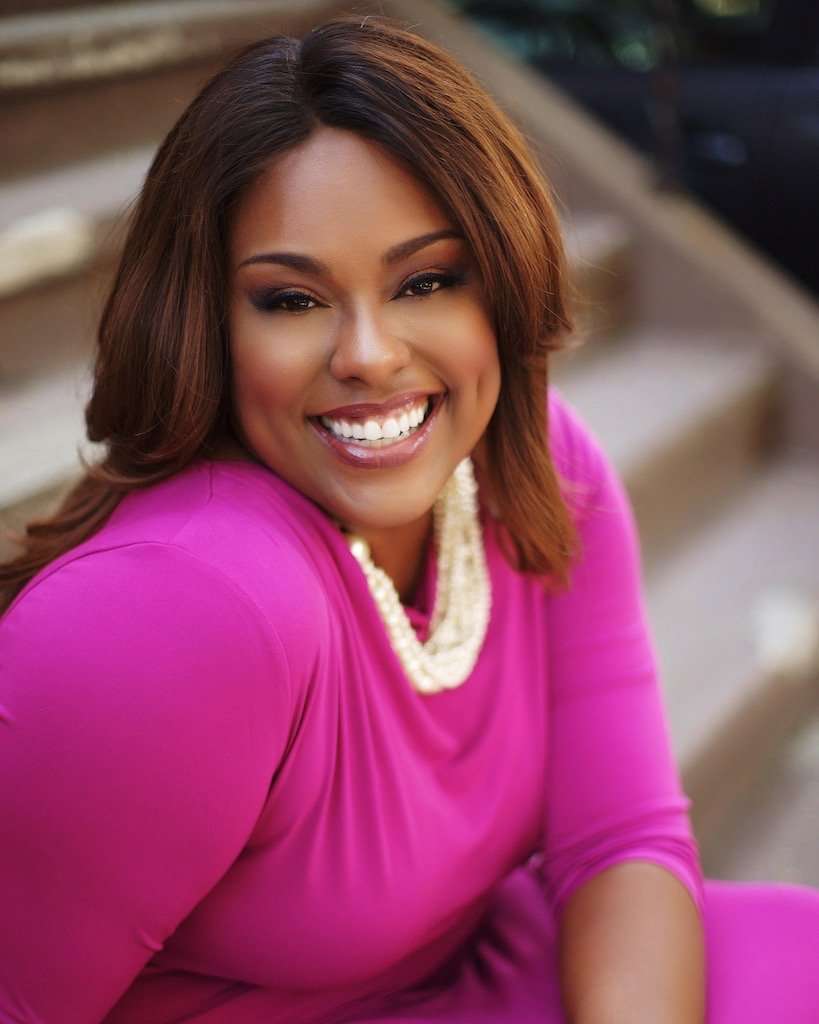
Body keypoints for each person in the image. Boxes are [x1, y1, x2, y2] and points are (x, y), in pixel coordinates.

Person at [1, 13, 817, 1024]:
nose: (371, 354)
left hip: (473, 979)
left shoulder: (537, 463)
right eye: (292, 300)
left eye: (427, 280)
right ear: (204, 323)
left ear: (503, 287)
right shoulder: (185, 607)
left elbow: (620, 839)